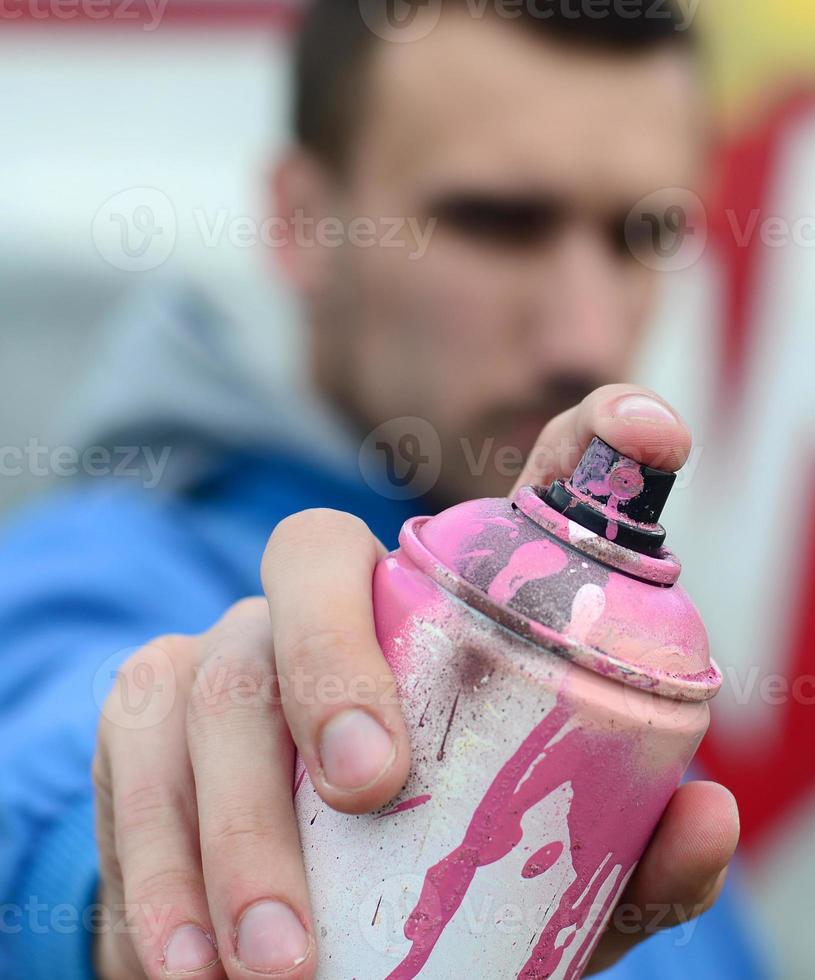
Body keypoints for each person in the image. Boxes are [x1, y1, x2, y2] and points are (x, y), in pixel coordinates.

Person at [0, 3, 764, 978]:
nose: (584, 333)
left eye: (640, 234)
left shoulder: (616, 674)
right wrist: (143, 891)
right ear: (301, 222)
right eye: (497, 222)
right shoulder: (95, 563)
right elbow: (65, 755)